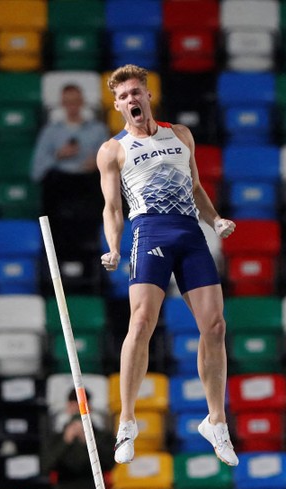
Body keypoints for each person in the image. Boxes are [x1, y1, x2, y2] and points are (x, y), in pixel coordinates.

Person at [98, 64, 239, 467]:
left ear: (147, 95)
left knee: (215, 326)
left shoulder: (180, 135)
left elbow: (194, 186)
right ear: (117, 105)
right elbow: (112, 207)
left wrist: (215, 220)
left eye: (136, 92)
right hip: (150, 232)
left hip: (190, 233)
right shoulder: (113, 149)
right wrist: (113, 247)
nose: (132, 100)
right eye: (124, 96)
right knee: (141, 322)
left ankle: (216, 421)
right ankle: (127, 421)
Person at [31, 83, 110, 224]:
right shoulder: (50, 132)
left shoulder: (98, 130)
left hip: (89, 185)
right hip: (60, 187)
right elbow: (37, 171)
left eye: (75, 101)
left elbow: (111, 162)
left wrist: (98, 162)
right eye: (68, 102)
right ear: (62, 104)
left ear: (82, 102)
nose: (72, 106)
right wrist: (58, 155)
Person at [41, 389, 115, 489]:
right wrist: (65, 441)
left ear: (90, 407)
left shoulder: (103, 436)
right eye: (73, 405)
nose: (76, 410)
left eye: (81, 405)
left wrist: (87, 441)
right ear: (68, 407)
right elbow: (46, 466)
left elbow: (110, 463)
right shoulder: (55, 438)